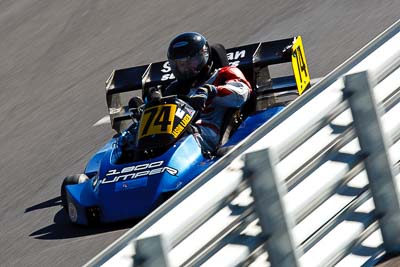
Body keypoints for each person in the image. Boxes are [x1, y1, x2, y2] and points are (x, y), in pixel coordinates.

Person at [164, 32, 252, 153]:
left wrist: (211, 91)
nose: (185, 68)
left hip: (210, 132)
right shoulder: (174, 88)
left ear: (204, 56)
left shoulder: (224, 74)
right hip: (175, 135)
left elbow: (242, 93)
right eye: (181, 65)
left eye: (190, 62)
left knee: (186, 133)